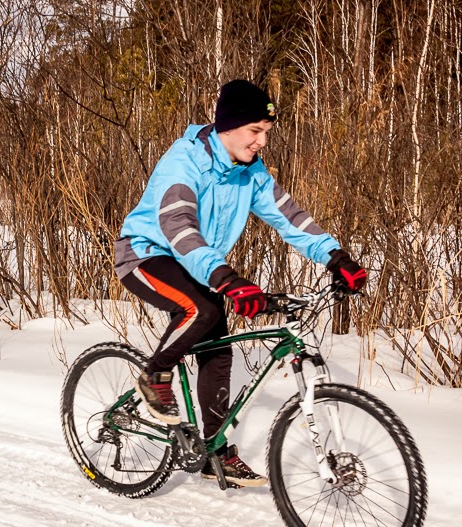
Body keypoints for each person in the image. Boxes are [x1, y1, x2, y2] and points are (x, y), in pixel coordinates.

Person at [114, 79, 366, 487]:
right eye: (255, 131)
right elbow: (179, 228)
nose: (263, 141)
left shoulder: (251, 172)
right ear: (227, 127)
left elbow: (290, 218)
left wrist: (335, 256)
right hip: (146, 254)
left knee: (217, 353)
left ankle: (215, 449)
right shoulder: (184, 163)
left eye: (266, 132)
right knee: (202, 309)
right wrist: (226, 279)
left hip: (199, 263)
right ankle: (154, 375)